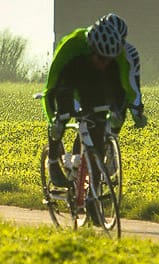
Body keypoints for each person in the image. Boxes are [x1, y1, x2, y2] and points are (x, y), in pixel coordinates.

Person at [43, 20, 128, 189]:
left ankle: (93, 191)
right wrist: (55, 121)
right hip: (69, 81)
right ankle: (53, 161)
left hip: (94, 87)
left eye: (108, 60)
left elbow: (120, 91)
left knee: (97, 127)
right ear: (92, 50)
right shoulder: (71, 52)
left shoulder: (113, 63)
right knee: (62, 114)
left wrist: (117, 112)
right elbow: (50, 90)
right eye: (101, 58)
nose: (104, 63)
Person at [44, 13, 143, 130]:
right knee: (66, 116)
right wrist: (54, 120)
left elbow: (128, 86)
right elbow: (52, 85)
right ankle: (56, 146)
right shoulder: (74, 44)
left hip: (100, 88)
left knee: (101, 124)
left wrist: (135, 113)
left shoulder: (123, 54)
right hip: (76, 82)